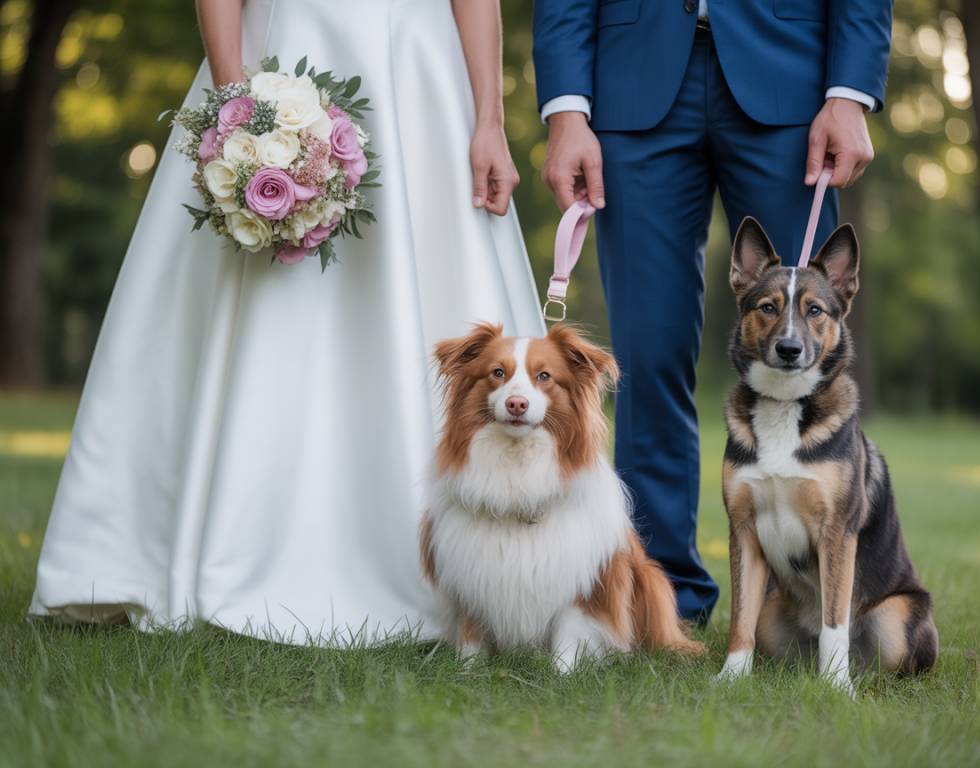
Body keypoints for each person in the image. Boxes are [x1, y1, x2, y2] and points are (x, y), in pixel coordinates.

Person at [29, 0, 543, 643]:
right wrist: (234, 114)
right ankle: (216, 546)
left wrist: (489, 119)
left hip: (421, 79)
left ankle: (463, 577)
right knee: (262, 308)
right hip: (282, 58)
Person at [533, 0, 892, 623]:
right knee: (645, 355)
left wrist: (851, 89)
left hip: (794, 82)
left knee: (804, 347)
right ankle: (661, 600)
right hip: (630, 86)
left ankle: (802, 610)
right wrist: (566, 106)